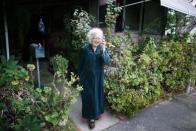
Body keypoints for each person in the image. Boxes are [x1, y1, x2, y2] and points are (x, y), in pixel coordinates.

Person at [78, 28, 110, 129]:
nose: (97, 40)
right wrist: (79, 77)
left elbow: (106, 61)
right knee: (88, 97)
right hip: (86, 78)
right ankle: (91, 118)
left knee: (97, 96)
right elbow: (81, 64)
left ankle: (96, 114)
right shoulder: (85, 49)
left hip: (98, 78)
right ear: (91, 38)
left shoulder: (102, 49)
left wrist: (104, 50)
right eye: (95, 38)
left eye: (99, 38)